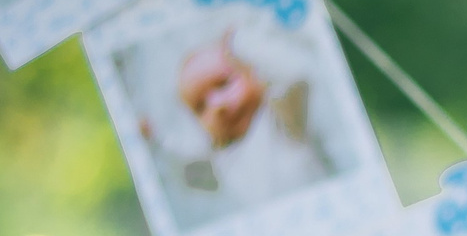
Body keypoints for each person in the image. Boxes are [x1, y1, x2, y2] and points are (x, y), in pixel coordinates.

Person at [137, 23, 332, 221]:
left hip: (318, 208)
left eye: (223, 84)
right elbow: (181, 167)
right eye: (200, 106)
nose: (216, 105)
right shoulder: (219, 157)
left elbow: (294, 73)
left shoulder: (279, 116)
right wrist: (154, 139)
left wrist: (239, 43)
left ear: (253, 73)